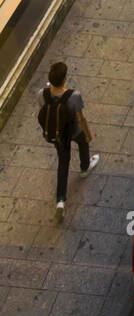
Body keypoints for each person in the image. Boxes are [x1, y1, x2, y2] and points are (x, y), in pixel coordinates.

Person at [40, 60, 99, 218]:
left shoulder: (42, 94)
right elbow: (81, 118)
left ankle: (60, 201)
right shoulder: (74, 96)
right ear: (64, 79)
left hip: (58, 135)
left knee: (63, 163)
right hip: (73, 130)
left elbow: (43, 113)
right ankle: (85, 168)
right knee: (82, 142)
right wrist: (88, 134)